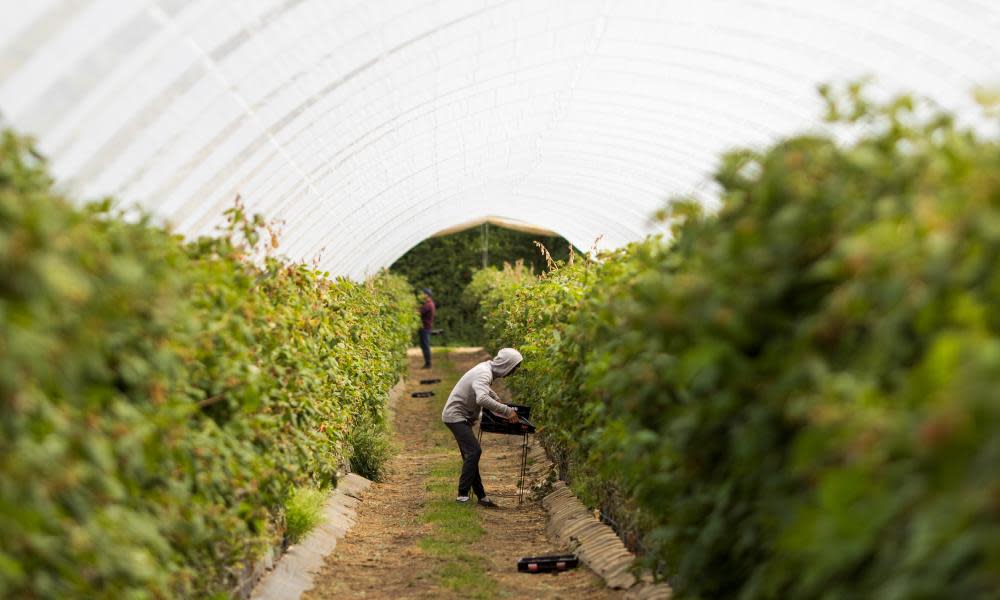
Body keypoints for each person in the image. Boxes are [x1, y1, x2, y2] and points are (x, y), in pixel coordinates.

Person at [441, 348, 522, 508]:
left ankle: (481, 497)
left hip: (459, 417)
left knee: (471, 455)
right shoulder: (484, 373)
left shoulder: (485, 369)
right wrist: (507, 411)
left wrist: (495, 397)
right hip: (455, 417)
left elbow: (482, 388)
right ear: (506, 365)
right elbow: (482, 397)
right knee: (474, 452)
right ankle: (462, 496)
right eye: (513, 368)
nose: (513, 373)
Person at [418, 288, 436, 368]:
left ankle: (428, 364)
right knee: (424, 345)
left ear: (427, 295)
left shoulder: (428, 305)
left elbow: (418, 312)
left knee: (425, 345)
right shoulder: (429, 303)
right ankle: (427, 363)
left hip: (425, 328)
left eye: (423, 294)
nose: (422, 295)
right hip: (426, 327)